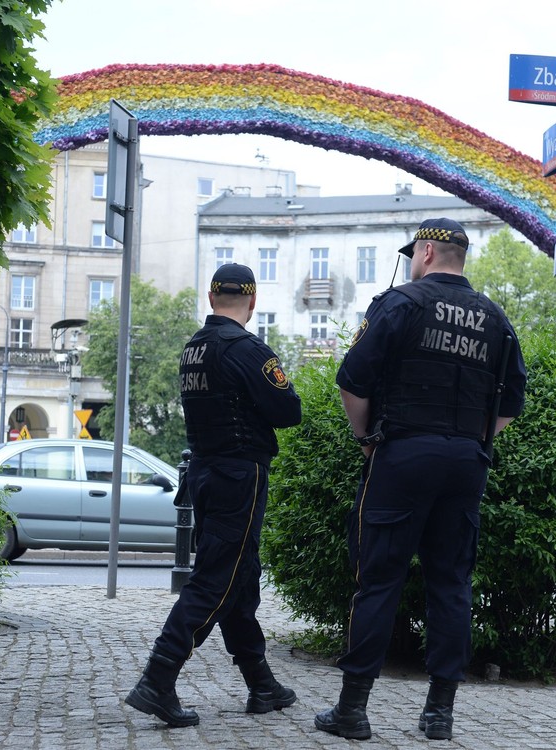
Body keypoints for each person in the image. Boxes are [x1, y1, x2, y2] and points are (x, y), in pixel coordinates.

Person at [314, 218, 527, 741]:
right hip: (465, 462)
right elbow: (511, 402)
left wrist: (366, 438)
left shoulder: (400, 303)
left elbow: (352, 380)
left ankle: (352, 709)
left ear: (427, 252)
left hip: (403, 454)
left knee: (379, 579)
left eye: (415, 253)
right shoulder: (495, 319)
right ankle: (439, 715)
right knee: (452, 583)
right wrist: (474, 439)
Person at [125, 262, 303, 727]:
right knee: (215, 581)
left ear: (210, 298)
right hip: (238, 476)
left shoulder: (193, 350)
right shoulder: (245, 349)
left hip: (205, 473)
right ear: (252, 300)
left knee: (239, 577)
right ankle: (158, 678)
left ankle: (261, 682)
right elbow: (288, 410)